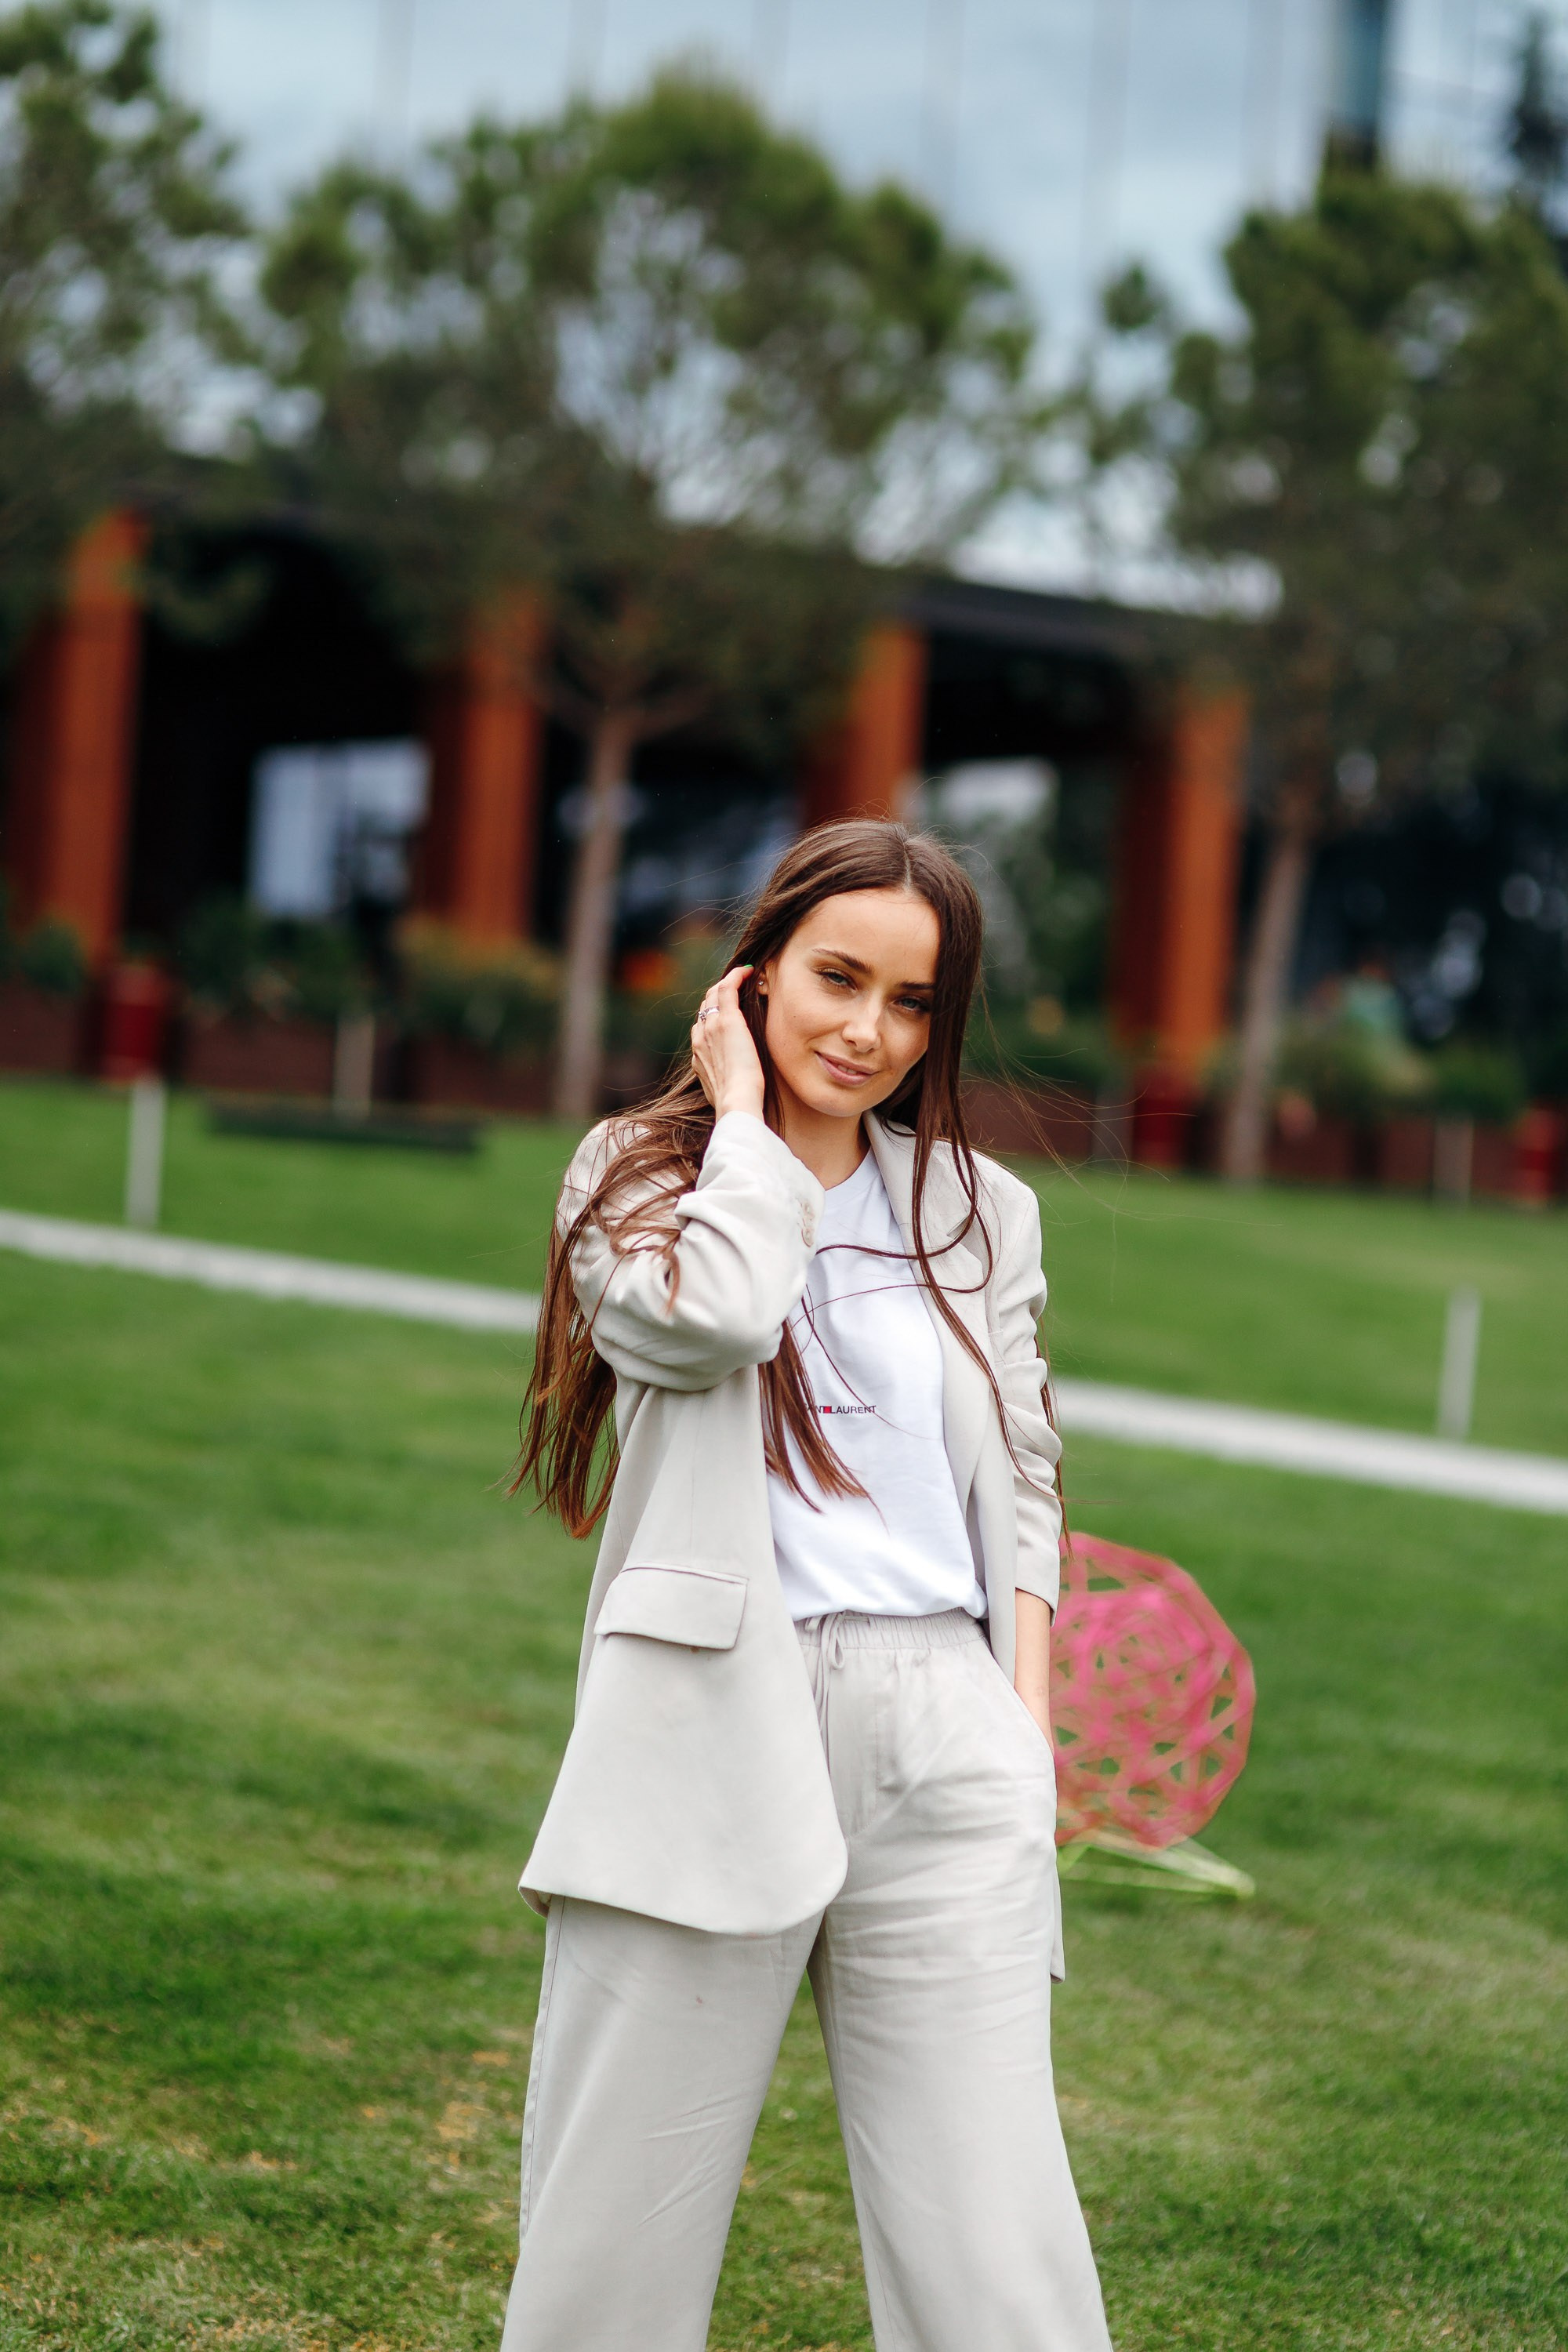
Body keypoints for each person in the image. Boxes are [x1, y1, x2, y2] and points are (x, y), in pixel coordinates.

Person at [500, 820, 1112, 2352]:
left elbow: (1025, 1471)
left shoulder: (983, 1210)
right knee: (611, 2252)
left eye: (912, 1004)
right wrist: (744, 1126)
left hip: (947, 1731)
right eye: (839, 979)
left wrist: (1022, 1726)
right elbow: (710, 1323)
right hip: (708, 1716)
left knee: (1002, 2261)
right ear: (756, 972)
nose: (868, 1032)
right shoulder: (637, 1177)